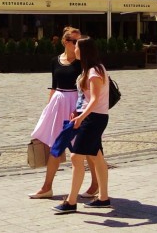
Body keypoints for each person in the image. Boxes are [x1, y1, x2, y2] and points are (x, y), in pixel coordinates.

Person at [29, 26, 97, 200]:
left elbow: (87, 88)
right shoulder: (55, 61)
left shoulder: (83, 62)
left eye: (79, 41)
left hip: (76, 104)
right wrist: (48, 108)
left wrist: (80, 109)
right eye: (75, 41)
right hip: (58, 103)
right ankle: (47, 187)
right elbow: (53, 86)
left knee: (85, 146)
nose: (78, 44)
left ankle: (95, 184)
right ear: (65, 42)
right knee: (55, 145)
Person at [53, 37, 111, 214]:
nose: (74, 50)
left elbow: (94, 100)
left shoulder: (94, 71)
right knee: (97, 157)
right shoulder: (92, 69)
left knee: (76, 158)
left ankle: (71, 202)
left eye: (76, 47)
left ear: (84, 50)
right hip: (92, 117)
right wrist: (78, 112)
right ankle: (103, 198)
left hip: (93, 119)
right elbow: (86, 99)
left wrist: (81, 117)